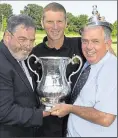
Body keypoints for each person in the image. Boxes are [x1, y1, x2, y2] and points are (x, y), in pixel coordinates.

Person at [29, 2, 116, 137]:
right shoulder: (34, 53)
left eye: (59, 21)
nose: (55, 27)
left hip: (81, 124)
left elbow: (107, 57)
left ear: (66, 23)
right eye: (50, 22)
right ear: (42, 23)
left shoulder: (81, 45)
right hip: (47, 127)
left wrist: (101, 29)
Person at [50, 23, 117, 137]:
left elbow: (106, 118)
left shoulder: (111, 69)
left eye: (95, 41)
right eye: (85, 41)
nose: (89, 47)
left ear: (107, 44)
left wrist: (70, 108)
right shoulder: (90, 63)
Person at [0, 14, 50, 138]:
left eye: (32, 40)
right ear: (7, 37)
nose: (28, 46)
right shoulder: (2, 64)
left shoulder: (18, 55)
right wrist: (42, 113)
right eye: (22, 39)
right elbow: (3, 112)